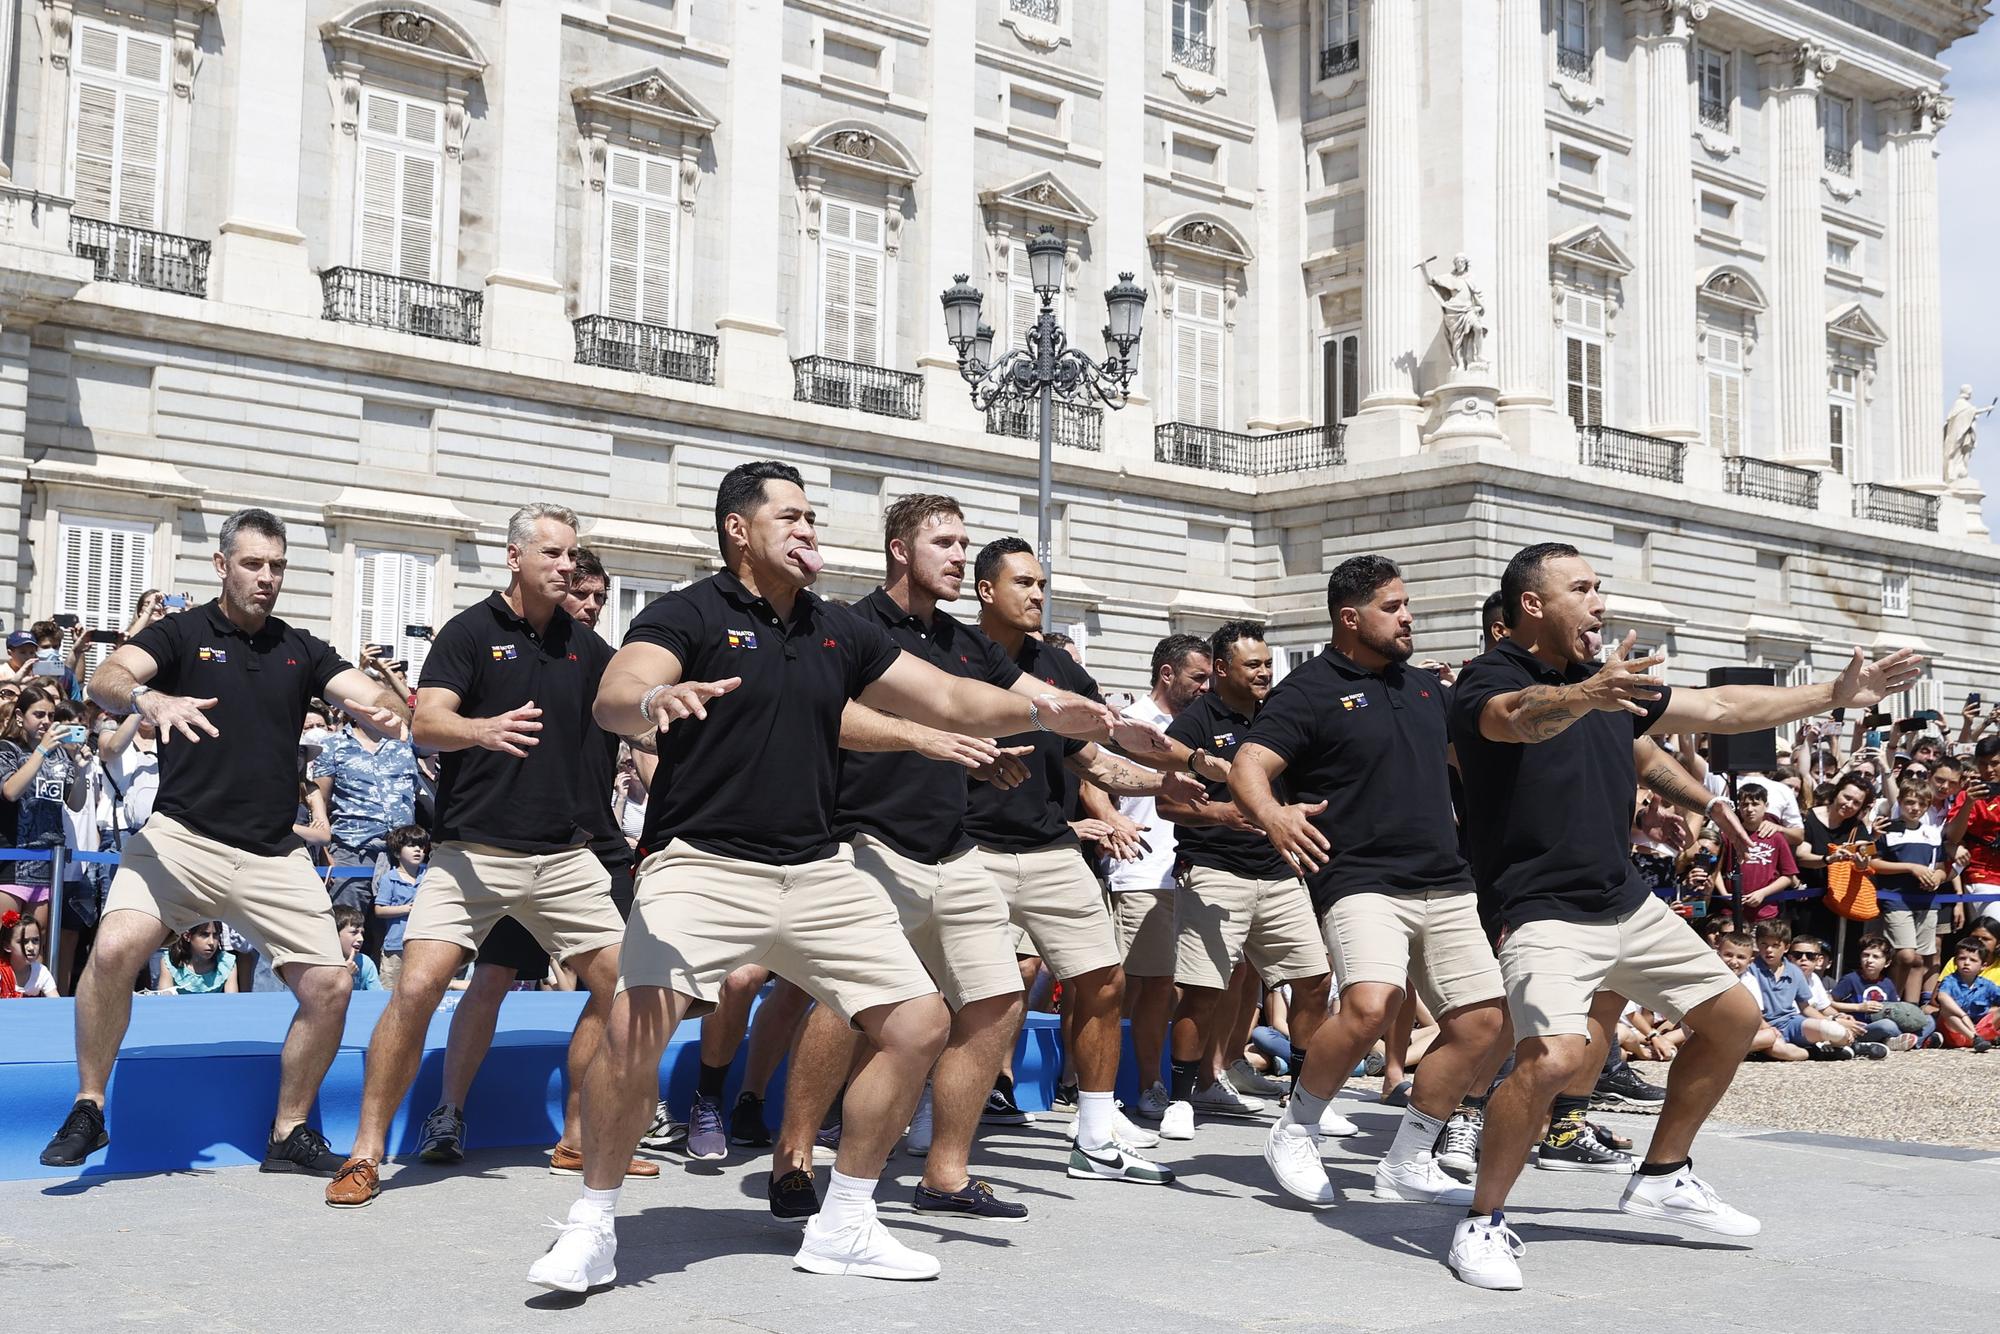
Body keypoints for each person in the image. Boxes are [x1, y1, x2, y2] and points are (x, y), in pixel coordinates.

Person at [529, 461, 1139, 1293]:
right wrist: (649, 707)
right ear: (739, 530)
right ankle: (592, 1227)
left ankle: (846, 1220)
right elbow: (617, 691)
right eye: (792, 517)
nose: (810, 530)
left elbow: (951, 700)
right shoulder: (690, 612)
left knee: (920, 1023)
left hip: (817, 868)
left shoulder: (836, 629)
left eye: (814, 518)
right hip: (703, 860)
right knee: (639, 1024)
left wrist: (1041, 711)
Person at [1443, 540, 1920, 1291]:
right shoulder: (1490, 677)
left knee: (1734, 1019)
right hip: (1543, 911)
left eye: (1600, 588)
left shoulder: (1613, 685)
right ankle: (1483, 1221)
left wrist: (1835, 692)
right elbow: (1511, 720)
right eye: (1583, 589)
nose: (1600, 603)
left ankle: (1662, 1174)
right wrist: (1585, 695)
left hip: (1625, 901)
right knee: (1556, 1060)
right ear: (1532, 605)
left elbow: (1724, 705)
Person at [38, 509, 410, 1175]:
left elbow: (374, 700)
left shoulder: (301, 647)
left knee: (331, 985)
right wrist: (150, 701)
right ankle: (90, 1105)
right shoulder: (181, 633)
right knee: (116, 948)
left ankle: (289, 1132)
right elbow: (107, 679)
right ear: (221, 565)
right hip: (182, 841)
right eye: (253, 564)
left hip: (274, 850)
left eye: (277, 566)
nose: (266, 578)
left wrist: (381, 703)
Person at [768, 492, 1080, 1221]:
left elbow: (1002, 706)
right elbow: (828, 715)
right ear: (900, 550)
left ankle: (944, 1173)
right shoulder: (845, 626)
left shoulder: (971, 645)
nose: (958, 554)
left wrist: (996, 758)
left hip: (954, 846)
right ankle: (792, 1158)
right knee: (848, 1003)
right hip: (865, 840)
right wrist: (920, 736)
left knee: (999, 1003)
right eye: (943, 541)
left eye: (962, 542)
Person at [329, 507, 635, 1209]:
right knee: (416, 986)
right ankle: (366, 1152)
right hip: (475, 854)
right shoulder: (471, 632)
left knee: (628, 989)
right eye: (553, 554)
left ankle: (585, 1139)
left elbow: (625, 713)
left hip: (566, 857)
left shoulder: (587, 649)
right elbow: (427, 722)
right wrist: (482, 729)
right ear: (515, 556)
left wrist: (658, 702)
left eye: (572, 555)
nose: (566, 566)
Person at [1230, 558, 1504, 1209]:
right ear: (1350, 618)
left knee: (1482, 1022)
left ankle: (1409, 1158)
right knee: (1371, 1004)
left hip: (1445, 878)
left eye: (1407, 605)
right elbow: (1249, 763)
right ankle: (1296, 1128)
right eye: (1393, 606)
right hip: (1359, 880)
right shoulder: (1309, 689)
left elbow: (1476, 760)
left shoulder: (1429, 689)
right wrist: (1271, 814)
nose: (1408, 616)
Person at [409, 546, 658, 1187]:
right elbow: (436, 722)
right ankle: (448, 1113)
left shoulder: (602, 663)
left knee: (613, 989)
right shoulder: (496, 642)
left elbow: (646, 737)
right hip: (508, 843)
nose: (590, 605)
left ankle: (582, 1133)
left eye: (600, 597)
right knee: (489, 981)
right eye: (581, 592)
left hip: (592, 847)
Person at [964, 537, 1210, 1183]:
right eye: (1023, 583)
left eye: (1042, 584)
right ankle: (928, 1123)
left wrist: (1161, 781)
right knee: (961, 997)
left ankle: (1096, 1134)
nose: (1037, 595)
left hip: (1049, 848)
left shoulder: (1059, 667)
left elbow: (1092, 758)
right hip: (968, 848)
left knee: (1105, 981)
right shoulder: (956, 656)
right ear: (986, 590)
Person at [1155, 620, 1334, 1142]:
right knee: (1203, 992)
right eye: (1252, 664)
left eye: (1267, 663)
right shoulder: (1193, 723)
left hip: (1281, 872)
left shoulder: (1283, 715)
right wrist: (1223, 815)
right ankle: (1182, 1099)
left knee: (1314, 982)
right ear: (1220, 669)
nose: (1264, 672)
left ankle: (1306, 1105)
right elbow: (1168, 803)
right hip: (1214, 872)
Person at [1110, 634, 1210, 1129]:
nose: (1206, 686)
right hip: (1140, 870)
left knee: (1162, 987)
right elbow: (1092, 777)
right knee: (1115, 987)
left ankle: (1150, 1083)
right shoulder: (1131, 724)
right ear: (1167, 673)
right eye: (1199, 677)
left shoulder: (1197, 726)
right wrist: (1111, 821)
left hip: (1184, 872)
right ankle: (1094, 1087)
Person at [310, 679, 419, 909]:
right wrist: (324, 851)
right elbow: (320, 801)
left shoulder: (406, 741)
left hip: (402, 857)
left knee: (395, 935)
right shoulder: (333, 745)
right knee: (347, 928)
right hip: (352, 853)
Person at [0, 683, 90, 948]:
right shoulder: (7, 749)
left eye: (50, 716)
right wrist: (40, 752)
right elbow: (11, 791)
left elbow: (75, 804)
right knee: (6, 946)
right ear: (20, 717)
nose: (46, 722)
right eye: (38, 715)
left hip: (47, 864)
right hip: (12, 862)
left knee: (33, 949)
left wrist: (81, 770)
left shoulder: (60, 754)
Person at [1869, 784, 1946, 1001]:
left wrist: (1936, 878)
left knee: (1919, 959)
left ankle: (1910, 1009)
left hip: (1926, 901)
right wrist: (1911, 867)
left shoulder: (1932, 833)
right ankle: (1890, 1002)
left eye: (1921, 804)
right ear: (1900, 803)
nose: (1915, 808)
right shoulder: (1887, 830)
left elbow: (1939, 865)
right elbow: (1874, 863)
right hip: (1896, 899)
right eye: (1910, 802)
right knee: (1904, 955)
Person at [1829, 934, 1930, 1049]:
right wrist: (1859, 1007)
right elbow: (1830, 1003)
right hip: (1861, 1028)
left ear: (1887, 963)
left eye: (1876, 957)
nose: (1869, 960)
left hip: (1887, 1023)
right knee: (1887, 1025)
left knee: (1928, 1020)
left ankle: (1908, 1042)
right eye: (1865, 955)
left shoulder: (1887, 983)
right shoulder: (1850, 979)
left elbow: (1894, 1006)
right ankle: (1904, 1041)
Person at [1726, 783, 1800, 923]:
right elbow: (1717, 870)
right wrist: (1725, 895)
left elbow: (1789, 875)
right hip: (1731, 912)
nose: (1750, 809)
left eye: (1755, 804)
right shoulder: (1730, 834)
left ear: (1766, 806)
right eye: (1744, 804)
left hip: (1765, 911)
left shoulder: (1776, 837)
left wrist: (1763, 893)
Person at [370, 824, 428, 992]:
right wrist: (407, 909)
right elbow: (379, 910)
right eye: (411, 845)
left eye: (421, 846)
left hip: (422, 945)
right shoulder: (390, 878)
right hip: (394, 946)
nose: (418, 850)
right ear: (396, 853)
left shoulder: (428, 878)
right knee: (390, 990)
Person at [1934, 939, 1999, 1049]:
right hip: (1955, 1031)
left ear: (1983, 966)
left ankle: (1979, 1038)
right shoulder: (1950, 981)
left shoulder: (1986, 985)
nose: (1967, 963)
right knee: (1945, 1011)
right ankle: (1974, 1039)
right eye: (1962, 958)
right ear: (1955, 962)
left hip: (1980, 1029)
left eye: (1973, 960)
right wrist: (1963, 1016)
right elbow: (1941, 996)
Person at [159, 920, 238, 994]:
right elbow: (164, 1001)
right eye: (204, 935)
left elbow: (233, 1002)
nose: (211, 942)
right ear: (187, 936)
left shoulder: (227, 962)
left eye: (215, 935)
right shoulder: (170, 962)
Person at [6, 911, 58, 997]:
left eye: (35, 940)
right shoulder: (2, 973)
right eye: (24, 942)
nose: (31, 947)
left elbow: (57, 1004)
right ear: (7, 946)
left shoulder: (41, 972)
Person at [333, 905, 381, 991]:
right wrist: (344, 975)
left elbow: (377, 997)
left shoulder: (365, 962)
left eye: (362, 933)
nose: (361, 939)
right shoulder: (321, 964)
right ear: (335, 934)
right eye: (354, 932)